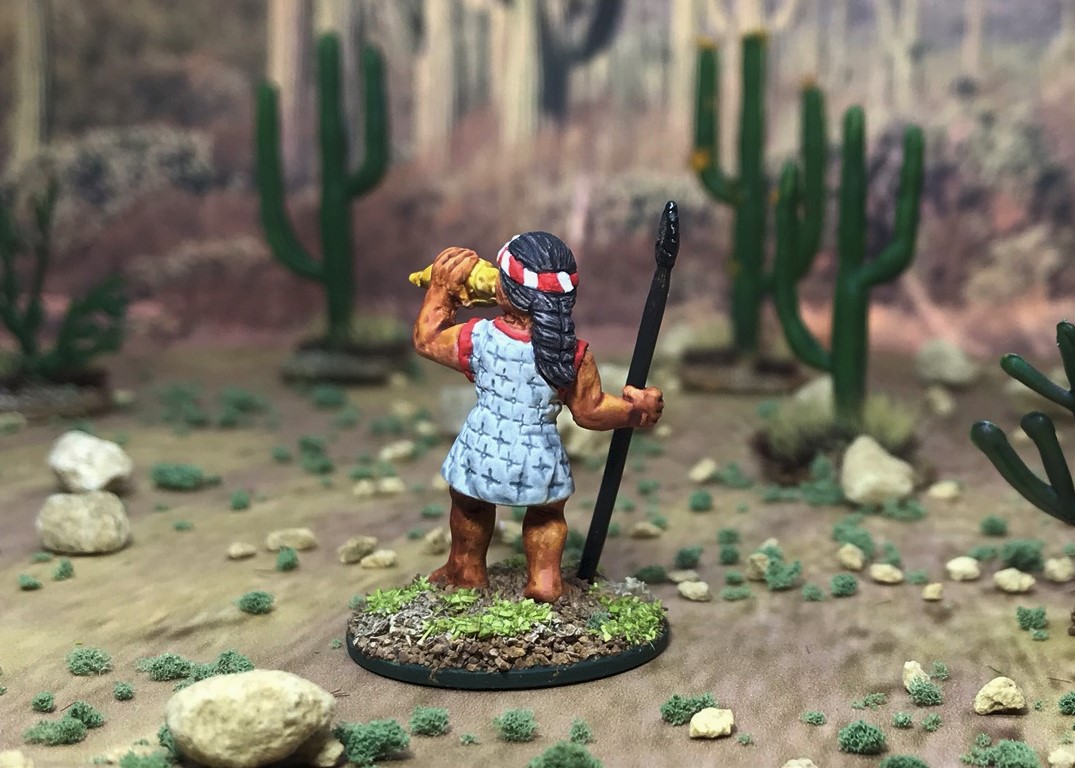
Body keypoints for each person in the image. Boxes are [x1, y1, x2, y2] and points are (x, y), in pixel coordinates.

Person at [413, 232, 664, 603]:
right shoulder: (572, 355)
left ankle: (466, 570)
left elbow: (427, 339)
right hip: (538, 454)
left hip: (484, 447)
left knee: (469, 504)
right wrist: (633, 410)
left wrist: (441, 289)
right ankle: (544, 580)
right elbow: (590, 410)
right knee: (546, 515)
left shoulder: (478, 337)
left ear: (506, 291)